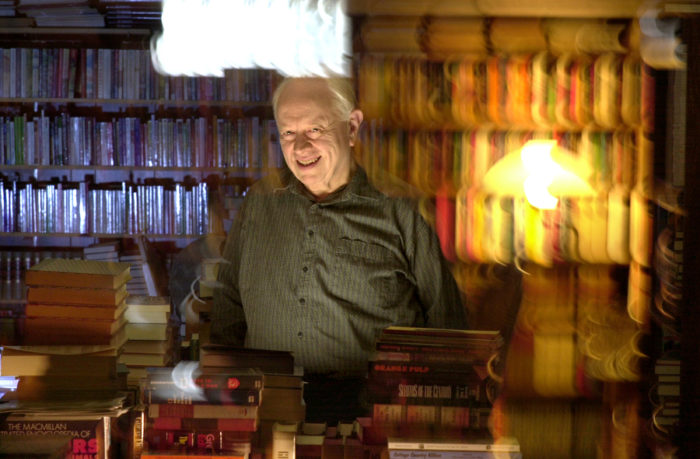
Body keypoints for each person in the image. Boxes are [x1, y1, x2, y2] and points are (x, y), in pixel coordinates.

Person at [211, 76, 466, 422]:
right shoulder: (259, 202)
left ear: (352, 127)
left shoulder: (402, 211)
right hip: (270, 412)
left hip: (371, 417)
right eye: (288, 132)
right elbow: (228, 307)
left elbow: (447, 327)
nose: (300, 147)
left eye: (315, 129)